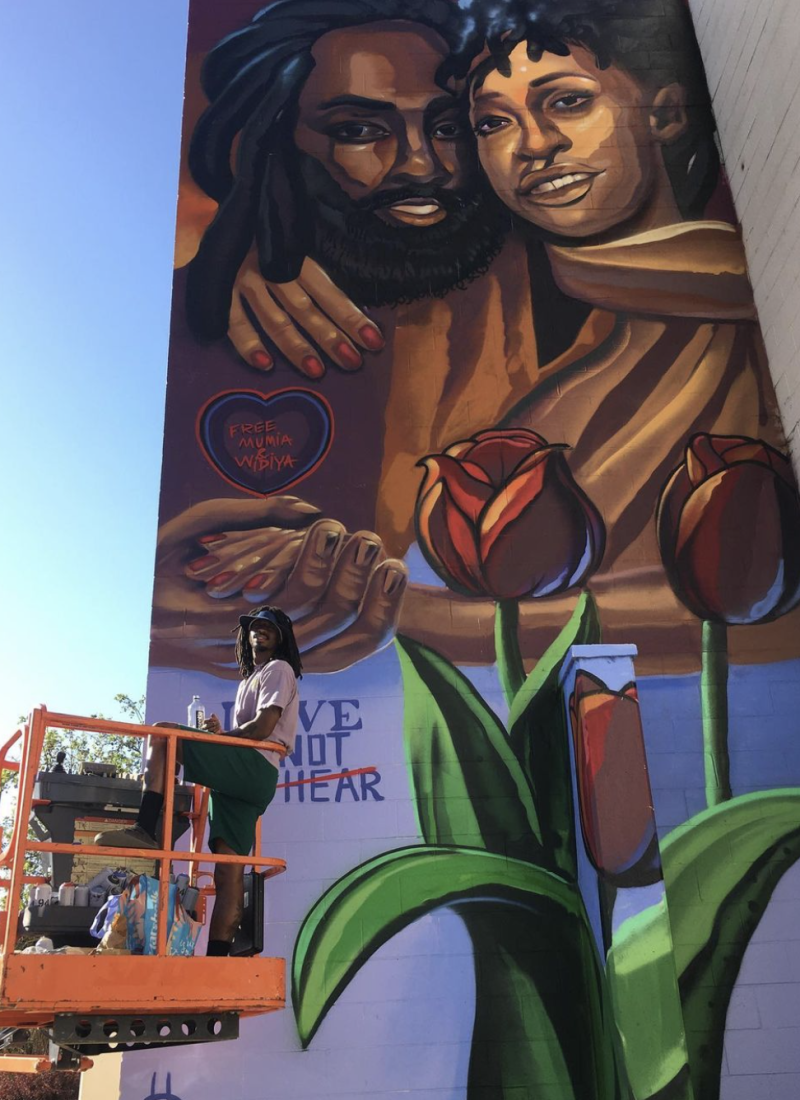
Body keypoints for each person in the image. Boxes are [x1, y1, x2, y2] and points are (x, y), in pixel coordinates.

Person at [97, 606, 301, 957]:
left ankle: (145, 827)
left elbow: (264, 728)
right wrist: (223, 736)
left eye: (268, 627)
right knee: (228, 871)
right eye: (254, 627)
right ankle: (218, 960)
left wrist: (224, 741)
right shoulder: (251, 680)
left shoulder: (279, 669)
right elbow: (249, 731)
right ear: (246, 637)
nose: (260, 632)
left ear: (281, 636)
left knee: (163, 735)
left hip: (255, 765)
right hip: (249, 776)